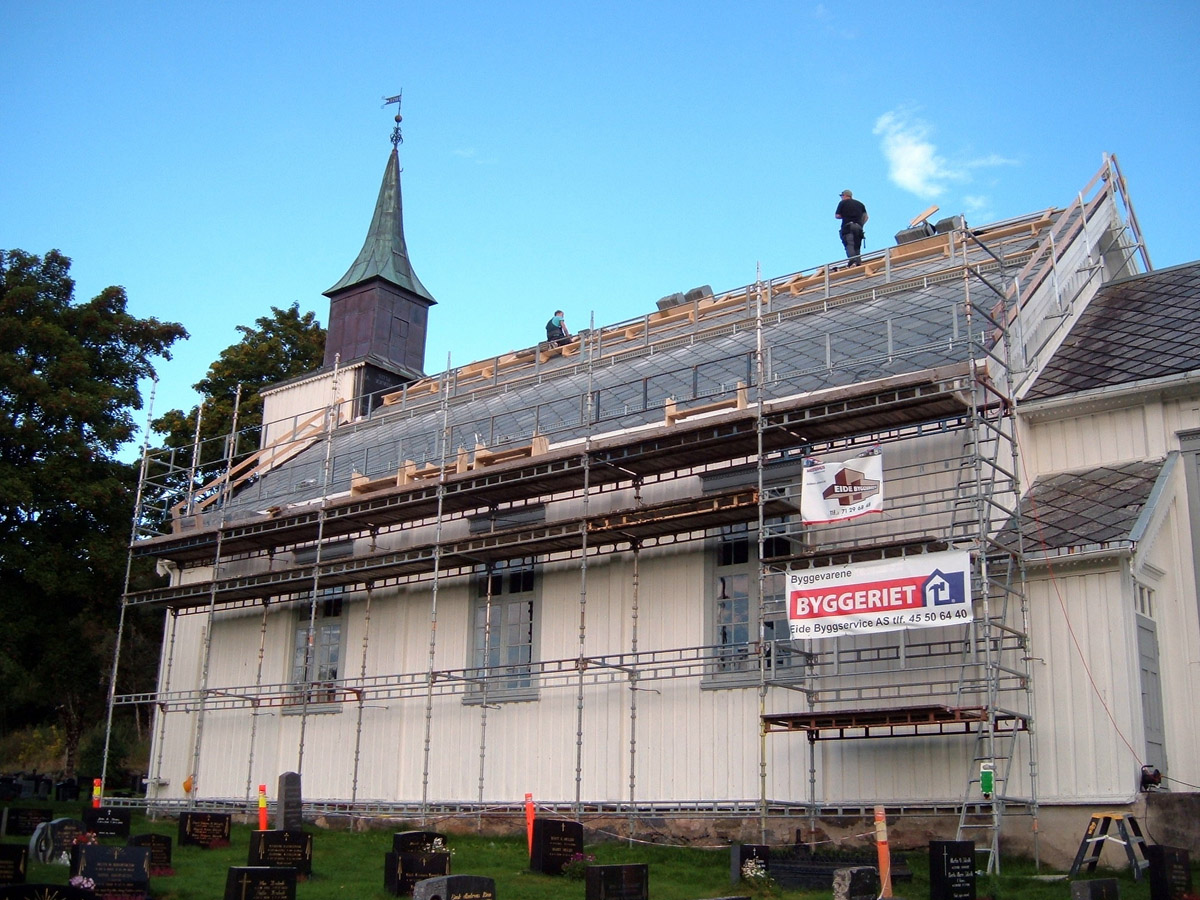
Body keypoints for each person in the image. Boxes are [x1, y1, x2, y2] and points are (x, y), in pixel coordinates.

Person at [835, 189, 869, 266]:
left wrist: (846, 215)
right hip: (858, 227)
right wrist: (860, 224)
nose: (841, 197)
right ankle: (858, 262)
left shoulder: (842, 203)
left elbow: (837, 216)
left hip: (848, 226)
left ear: (845, 195)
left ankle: (852, 260)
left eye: (842, 196)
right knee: (857, 246)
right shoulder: (860, 204)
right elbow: (866, 217)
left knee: (849, 244)